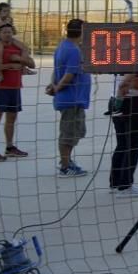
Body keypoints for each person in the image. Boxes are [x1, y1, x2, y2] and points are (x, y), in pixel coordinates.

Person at [46, 18, 92, 178]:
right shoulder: (73, 50)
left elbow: (56, 71)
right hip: (72, 99)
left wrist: (53, 85)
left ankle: (67, 161)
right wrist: (57, 88)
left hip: (73, 98)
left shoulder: (62, 46)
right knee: (68, 134)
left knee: (75, 132)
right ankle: (65, 167)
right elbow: (69, 74)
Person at [0, 23, 35, 160]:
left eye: (9, 32)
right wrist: (11, 65)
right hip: (1, 88)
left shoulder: (18, 48)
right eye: (4, 32)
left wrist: (19, 59)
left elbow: (32, 64)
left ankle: (10, 147)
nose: (7, 34)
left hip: (15, 88)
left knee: (11, 119)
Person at [109, 72, 138, 197]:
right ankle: (125, 186)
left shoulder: (125, 57)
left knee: (123, 145)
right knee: (133, 147)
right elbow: (125, 84)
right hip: (133, 104)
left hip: (120, 102)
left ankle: (115, 183)